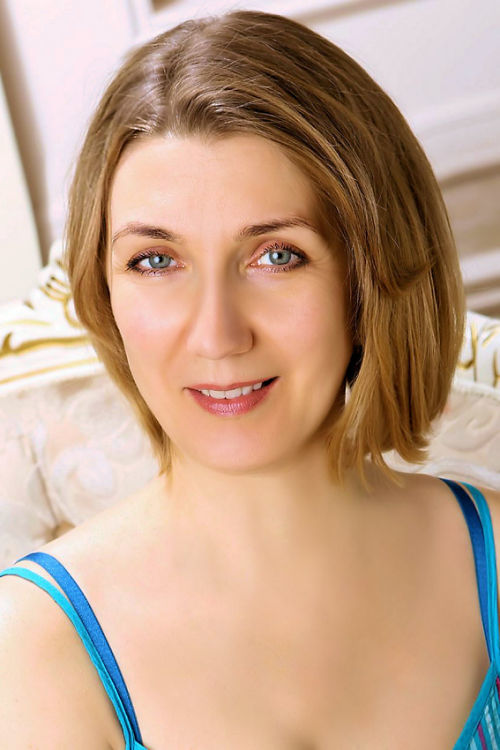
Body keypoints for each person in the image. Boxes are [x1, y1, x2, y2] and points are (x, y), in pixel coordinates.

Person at [0, 9, 498, 749]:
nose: (217, 335)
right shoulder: (35, 650)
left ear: (369, 277)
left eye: (276, 256)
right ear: (104, 293)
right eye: (155, 261)